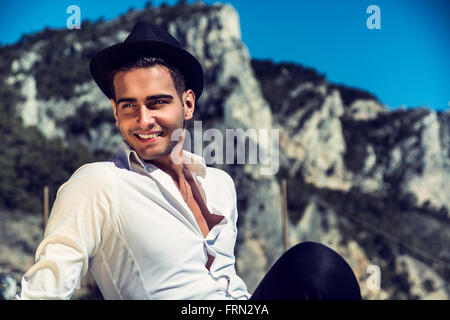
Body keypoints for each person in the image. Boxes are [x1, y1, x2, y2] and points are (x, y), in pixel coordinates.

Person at [18, 21, 362, 300]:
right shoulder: (98, 183)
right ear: (114, 110)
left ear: (187, 104)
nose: (142, 120)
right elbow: (46, 287)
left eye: (157, 102)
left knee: (314, 268)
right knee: (316, 266)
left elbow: (226, 282)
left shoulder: (219, 185)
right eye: (128, 105)